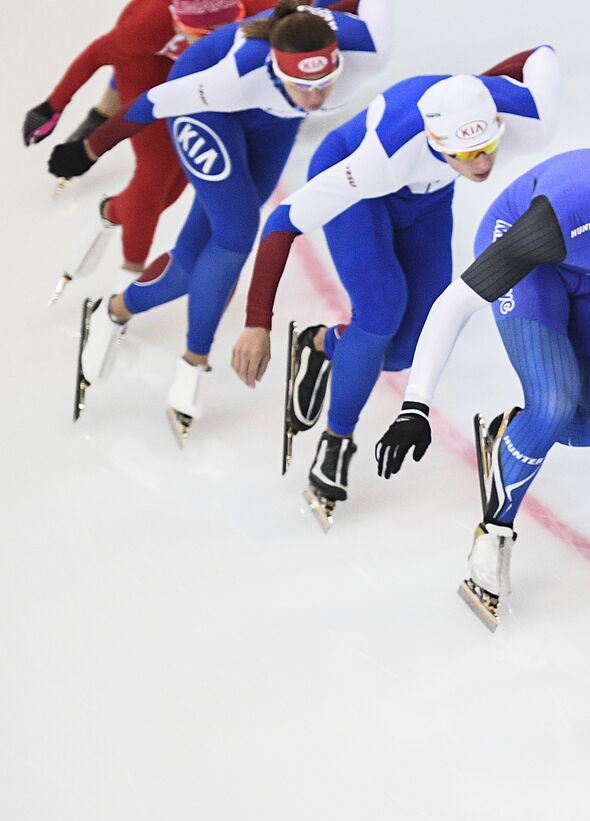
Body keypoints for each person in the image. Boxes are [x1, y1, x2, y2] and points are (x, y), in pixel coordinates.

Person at [374, 142, 590, 626]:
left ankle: (511, 437)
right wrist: (414, 407)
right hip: (530, 260)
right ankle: (495, 532)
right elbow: (453, 304)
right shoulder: (554, 221)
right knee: (553, 404)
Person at [225, 46, 559, 521]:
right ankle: (336, 441)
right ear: (436, 141)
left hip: (429, 198)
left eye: (488, 146)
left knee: (407, 351)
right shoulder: (381, 159)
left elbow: (542, 54)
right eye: (466, 154)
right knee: (381, 311)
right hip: (359, 189)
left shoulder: (528, 121)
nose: (483, 163)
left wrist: (474, 85)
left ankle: (320, 344)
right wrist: (256, 322)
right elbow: (282, 222)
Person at [53, 0, 391, 441]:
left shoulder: (371, 52)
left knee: (192, 263)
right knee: (236, 234)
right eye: (302, 85)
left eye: (324, 83)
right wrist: (88, 149)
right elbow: (152, 102)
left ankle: (114, 309)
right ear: (277, 69)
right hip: (208, 112)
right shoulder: (234, 78)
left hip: (274, 121)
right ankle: (194, 361)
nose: (315, 98)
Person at [24, 0, 279, 285]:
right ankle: (129, 276)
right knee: (156, 172)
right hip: (146, 62)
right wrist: (51, 107)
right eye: (203, 33)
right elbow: (94, 56)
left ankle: (112, 211)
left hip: (183, 63)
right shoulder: (148, 26)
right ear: (178, 23)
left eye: (228, 26)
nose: (215, 39)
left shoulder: (261, 8)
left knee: (172, 187)